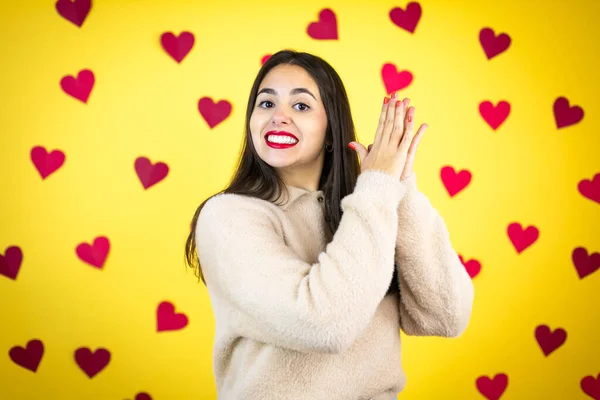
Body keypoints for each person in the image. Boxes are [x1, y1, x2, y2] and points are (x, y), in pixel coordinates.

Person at [184, 49, 474, 400]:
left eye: (301, 106)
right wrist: (377, 187)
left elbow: (444, 316)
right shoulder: (228, 216)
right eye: (266, 104)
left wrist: (399, 184)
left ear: (332, 131)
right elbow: (324, 324)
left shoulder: (368, 206)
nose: (279, 117)